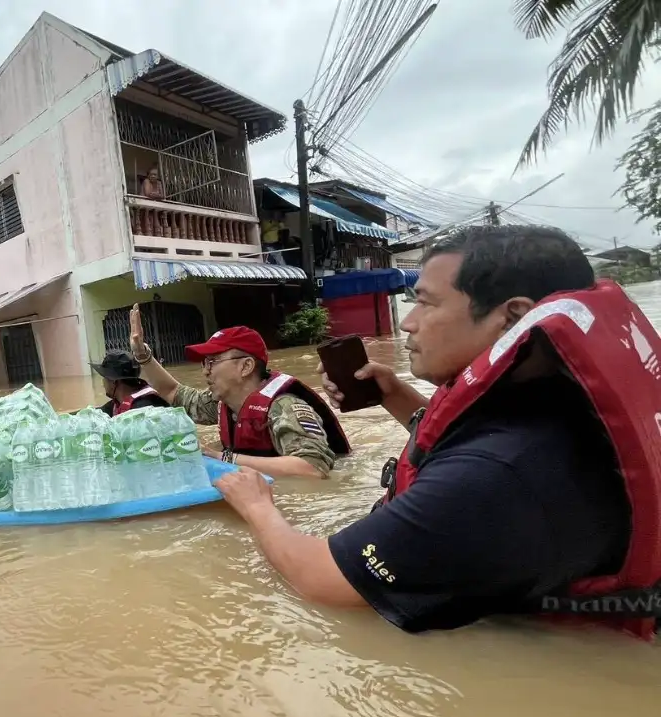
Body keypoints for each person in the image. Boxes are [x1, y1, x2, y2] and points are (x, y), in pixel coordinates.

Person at [213, 224, 661, 640]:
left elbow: (323, 582)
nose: (407, 322)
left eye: (425, 302)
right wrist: (394, 393)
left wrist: (258, 506)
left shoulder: (491, 477)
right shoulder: (558, 402)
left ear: (512, 318)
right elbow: (476, 438)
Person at [127, 305, 348, 478]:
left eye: (212, 362)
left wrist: (223, 458)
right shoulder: (222, 403)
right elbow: (172, 391)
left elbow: (312, 469)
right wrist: (143, 355)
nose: (205, 372)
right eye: (204, 363)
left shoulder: (284, 407)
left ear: (246, 367)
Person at [92, 350, 171, 417]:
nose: (103, 384)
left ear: (114, 382)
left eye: (104, 378)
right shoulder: (118, 403)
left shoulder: (143, 410)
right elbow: (96, 413)